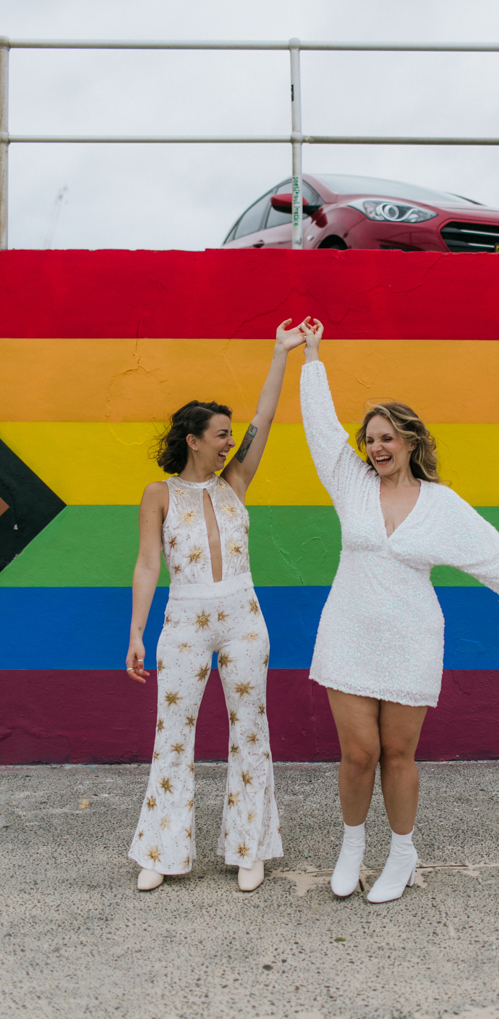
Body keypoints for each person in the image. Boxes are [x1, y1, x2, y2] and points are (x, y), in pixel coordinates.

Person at [298, 319, 499, 903]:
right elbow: (321, 428)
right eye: (370, 439)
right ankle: (352, 846)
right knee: (358, 753)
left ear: (410, 442)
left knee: (398, 754)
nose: (375, 448)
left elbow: (492, 553)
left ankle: (402, 852)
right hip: (349, 629)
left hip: (410, 636)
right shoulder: (348, 481)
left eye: (386, 439)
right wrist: (312, 356)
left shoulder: (441, 504)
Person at [126, 318, 309, 892]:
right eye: (221, 434)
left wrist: (282, 352)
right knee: (172, 734)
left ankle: (249, 847)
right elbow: (148, 564)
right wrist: (135, 633)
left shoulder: (237, 482)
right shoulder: (158, 494)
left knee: (250, 729)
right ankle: (160, 851)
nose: (231, 440)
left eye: (232, 433)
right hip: (182, 622)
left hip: (244, 622)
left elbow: (266, 419)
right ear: (194, 439)